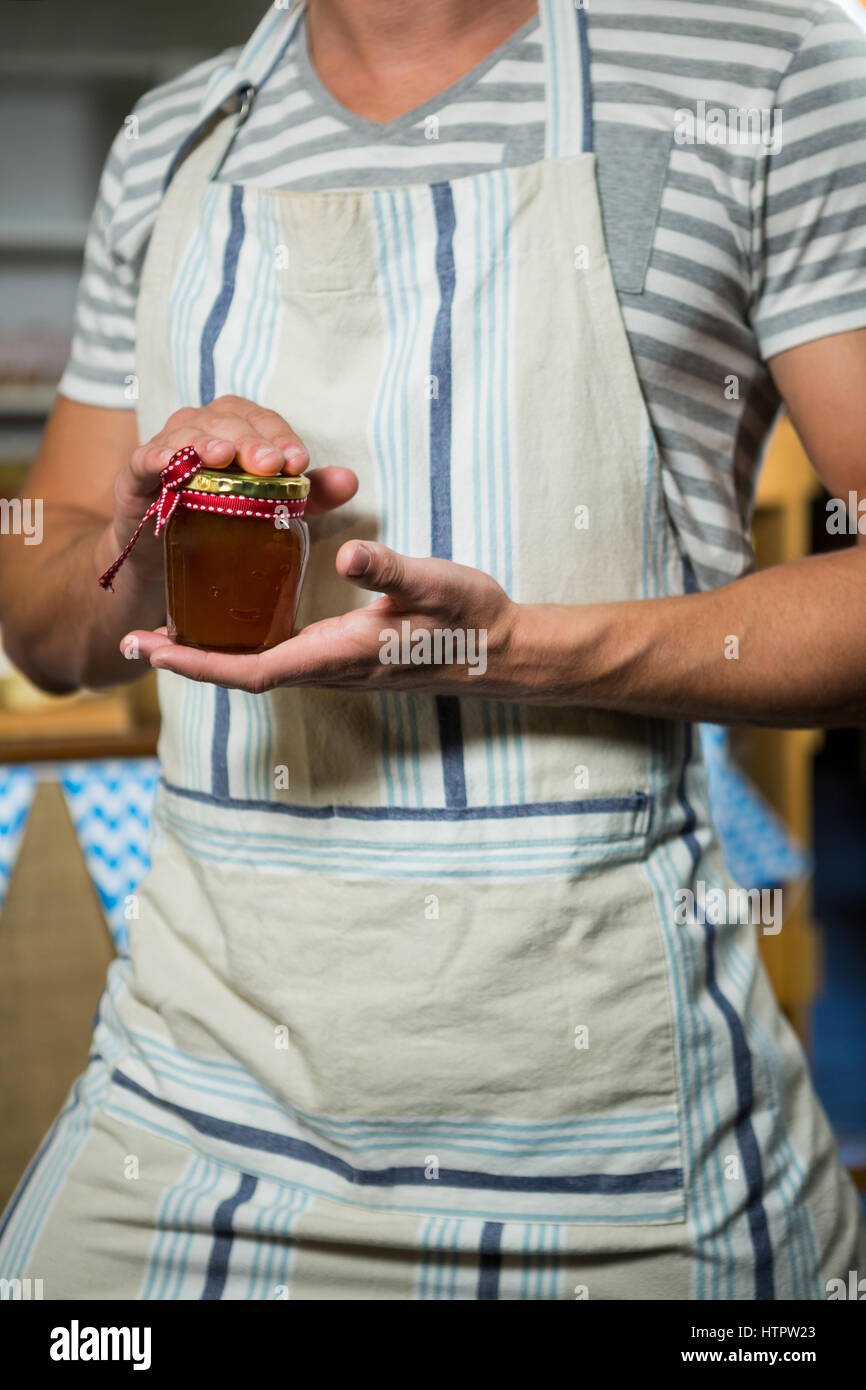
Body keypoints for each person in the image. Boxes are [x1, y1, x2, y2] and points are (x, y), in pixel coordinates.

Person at [0, 0, 864, 1301]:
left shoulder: (765, 74)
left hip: (629, 1158)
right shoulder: (178, 138)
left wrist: (524, 651)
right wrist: (150, 538)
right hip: (181, 1120)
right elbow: (48, 622)